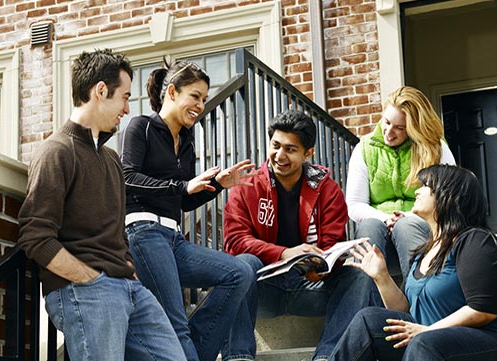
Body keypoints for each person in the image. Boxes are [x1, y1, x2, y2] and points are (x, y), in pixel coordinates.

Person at [17, 49, 185, 361]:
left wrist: (128, 271)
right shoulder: (56, 152)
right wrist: (89, 277)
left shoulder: (111, 159)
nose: (126, 108)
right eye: (124, 97)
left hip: (128, 288)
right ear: (100, 91)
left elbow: (117, 231)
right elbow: (35, 236)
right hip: (86, 290)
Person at [120, 58, 257, 361]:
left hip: (174, 239)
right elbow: (127, 178)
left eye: (204, 99)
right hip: (143, 232)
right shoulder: (141, 127)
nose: (200, 105)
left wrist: (219, 184)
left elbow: (183, 199)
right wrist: (181, 187)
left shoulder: (186, 141)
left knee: (239, 273)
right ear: (172, 92)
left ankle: (189, 354)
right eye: (194, 96)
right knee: (176, 322)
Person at [221, 109, 382, 361]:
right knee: (241, 264)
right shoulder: (247, 185)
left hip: (309, 285)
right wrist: (284, 253)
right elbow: (234, 240)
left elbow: (332, 243)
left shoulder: (327, 189)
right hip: (262, 287)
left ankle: (328, 357)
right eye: (275, 145)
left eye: (290, 149)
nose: (279, 155)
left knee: (358, 278)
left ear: (308, 153)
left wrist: (322, 264)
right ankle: (238, 357)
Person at [328, 164, 497, 361]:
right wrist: (382, 277)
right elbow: (404, 311)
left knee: (423, 343)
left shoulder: (475, 240)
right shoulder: (425, 251)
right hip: (429, 343)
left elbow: (482, 310)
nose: (417, 191)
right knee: (368, 320)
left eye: (425, 185)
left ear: (447, 194)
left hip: (489, 343)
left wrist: (426, 330)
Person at [346, 85, 456, 279]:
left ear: (415, 128)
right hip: (380, 230)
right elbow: (354, 205)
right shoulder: (364, 148)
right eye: (386, 122)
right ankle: (364, 304)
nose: (389, 132)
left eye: (400, 128)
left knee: (406, 227)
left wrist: (404, 217)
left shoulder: (436, 148)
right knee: (370, 226)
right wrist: (386, 219)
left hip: (422, 228)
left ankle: (420, 300)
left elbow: (448, 198)